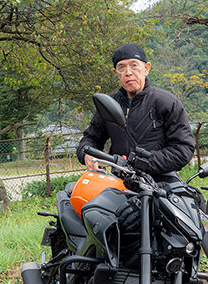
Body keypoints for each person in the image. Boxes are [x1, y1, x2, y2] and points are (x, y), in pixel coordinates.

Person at [77, 43, 196, 182]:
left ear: (146, 68)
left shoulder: (166, 102)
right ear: (116, 73)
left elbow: (183, 149)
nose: (128, 72)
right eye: (122, 67)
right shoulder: (108, 104)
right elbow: (91, 138)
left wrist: (141, 163)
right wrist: (86, 153)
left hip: (161, 183)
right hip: (120, 183)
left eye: (134, 65)